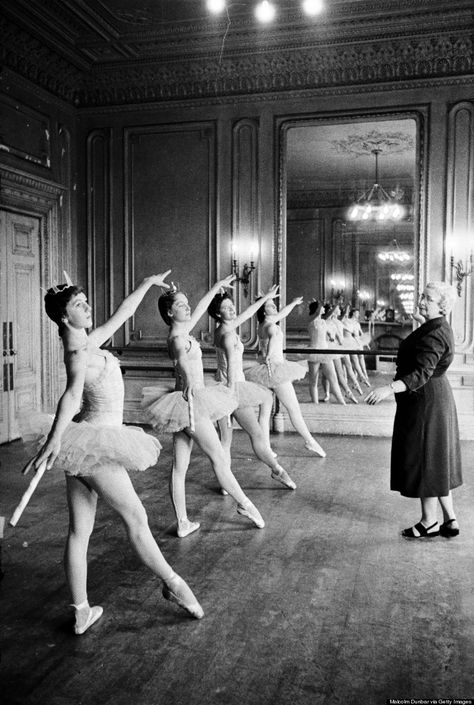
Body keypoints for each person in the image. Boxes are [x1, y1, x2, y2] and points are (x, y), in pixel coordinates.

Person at [29, 271, 204, 635]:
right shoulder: (79, 353)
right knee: (137, 521)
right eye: (79, 304)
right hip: (94, 445)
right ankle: (175, 585)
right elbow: (72, 397)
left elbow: (123, 314)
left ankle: (81, 610)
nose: (88, 306)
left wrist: (145, 283)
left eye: (85, 300)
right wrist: (53, 440)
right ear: (64, 317)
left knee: (80, 531)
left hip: (85, 443)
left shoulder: (89, 341)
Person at [142, 274, 265, 538]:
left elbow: (198, 310)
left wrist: (215, 288)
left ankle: (183, 522)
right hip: (190, 406)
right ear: (169, 311)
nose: (188, 308)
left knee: (180, 467)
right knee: (219, 459)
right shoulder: (177, 339)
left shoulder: (182, 332)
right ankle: (246, 505)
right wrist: (186, 377)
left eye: (187, 304)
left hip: (184, 405)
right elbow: (182, 363)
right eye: (181, 305)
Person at [365, 281, 462, 539]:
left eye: (428, 299)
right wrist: (421, 321)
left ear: (441, 305)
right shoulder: (436, 326)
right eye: (422, 296)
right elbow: (426, 349)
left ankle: (429, 522)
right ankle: (450, 519)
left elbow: (421, 373)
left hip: (426, 401)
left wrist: (388, 388)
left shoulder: (435, 332)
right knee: (436, 459)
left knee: (426, 460)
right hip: (434, 398)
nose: (421, 301)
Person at [207, 285, 296, 490]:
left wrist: (265, 298)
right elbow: (229, 370)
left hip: (231, 387)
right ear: (217, 313)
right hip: (229, 388)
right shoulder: (227, 335)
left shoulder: (226, 328)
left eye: (232, 306)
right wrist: (228, 398)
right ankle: (271, 472)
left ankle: (275, 470)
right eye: (226, 308)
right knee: (233, 439)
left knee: (234, 438)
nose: (232, 310)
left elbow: (247, 313)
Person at [244, 293, 326, 457]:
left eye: (274, 305)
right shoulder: (271, 326)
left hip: (265, 371)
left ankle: (266, 449)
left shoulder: (263, 324)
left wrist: (293, 303)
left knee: (265, 411)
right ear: (264, 311)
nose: (274, 307)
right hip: (275, 370)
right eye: (270, 306)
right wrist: (269, 352)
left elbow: (283, 314)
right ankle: (310, 441)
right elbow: (273, 338)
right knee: (293, 409)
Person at [307, 300, 346, 405]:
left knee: (333, 378)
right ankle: (315, 404)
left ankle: (342, 402)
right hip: (314, 351)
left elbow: (327, 331)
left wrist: (331, 336)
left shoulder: (323, 321)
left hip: (325, 351)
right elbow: (325, 315)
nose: (324, 309)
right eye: (322, 307)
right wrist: (336, 304)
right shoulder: (312, 320)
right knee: (313, 380)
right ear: (318, 309)